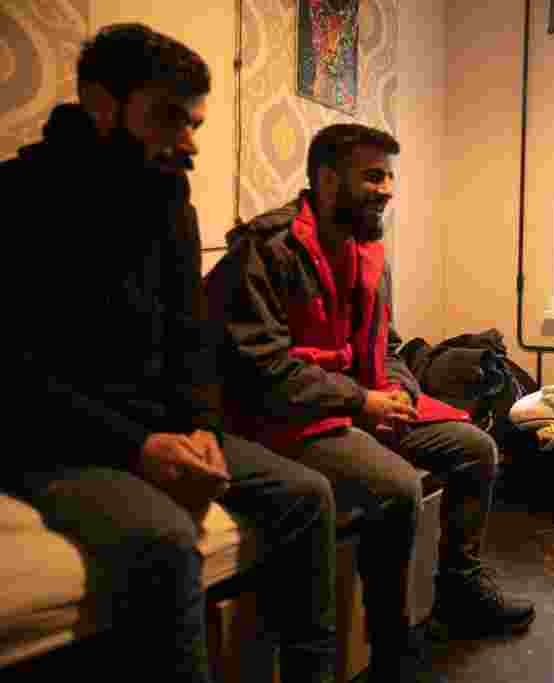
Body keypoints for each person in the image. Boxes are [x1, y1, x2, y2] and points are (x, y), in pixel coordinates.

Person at [1, 24, 339, 683]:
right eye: (168, 119)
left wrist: (203, 428)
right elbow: (17, 375)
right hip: (58, 442)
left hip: (160, 428)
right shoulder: (19, 199)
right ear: (101, 103)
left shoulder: (170, 202)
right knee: (167, 542)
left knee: (308, 495)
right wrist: (138, 447)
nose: (189, 143)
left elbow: (194, 342)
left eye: (194, 123)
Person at [204, 124, 536, 647]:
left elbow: (388, 345)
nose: (387, 190)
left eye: (389, 177)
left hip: (358, 401)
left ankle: (459, 590)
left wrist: (400, 391)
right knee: (398, 486)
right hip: (286, 414)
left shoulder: (368, 252)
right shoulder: (265, 252)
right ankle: (390, 638)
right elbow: (263, 370)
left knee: (476, 448)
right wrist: (360, 401)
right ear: (327, 179)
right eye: (374, 176)